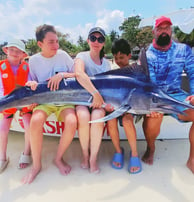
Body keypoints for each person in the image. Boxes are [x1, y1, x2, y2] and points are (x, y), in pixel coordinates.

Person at [22, 24, 77, 184]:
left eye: (57, 41)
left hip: (65, 100)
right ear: (40, 44)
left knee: (72, 121)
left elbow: (78, 73)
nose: (56, 45)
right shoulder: (33, 60)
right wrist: (30, 83)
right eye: (51, 42)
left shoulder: (63, 55)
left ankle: (58, 158)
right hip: (44, 101)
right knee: (36, 121)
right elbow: (30, 81)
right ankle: (36, 166)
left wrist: (62, 75)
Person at [142, 16, 194, 173]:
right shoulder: (147, 54)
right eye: (160, 28)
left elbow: (193, 73)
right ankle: (151, 148)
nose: (164, 31)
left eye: (167, 28)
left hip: (177, 95)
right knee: (153, 116)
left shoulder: (183, 49)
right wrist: (153, 103)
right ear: (154, 32)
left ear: (171, 30)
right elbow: (150, 83)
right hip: (155, 96)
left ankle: (192, 159)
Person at [75, 27, 111, 173]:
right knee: (83, 117)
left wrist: (106, 103)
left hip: (100, 102)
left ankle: (93, 158)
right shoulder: (81, 56)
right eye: (93, 38)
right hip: (82, 99)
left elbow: (109, 87)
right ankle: (85, 155)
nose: (96, 41)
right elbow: (79, 74)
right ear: (88, 40)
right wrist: (95, 93)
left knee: (97, 118)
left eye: (100, 39)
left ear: (103, 43)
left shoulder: (107, 63)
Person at [0, 39, 37, 173]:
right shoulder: (0, 67)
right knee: (2, 130)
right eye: (12, 50)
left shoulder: (27, 68)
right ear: (6, 51)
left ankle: (26, 153)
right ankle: (2, 157)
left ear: (23, 54)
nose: (15, 53)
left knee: (28, 126)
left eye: (18, 51)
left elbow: (30, 81)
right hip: (7, 102)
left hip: (23, 102)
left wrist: (32, 84)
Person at [107, 39, 142, 174]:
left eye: (121, 57)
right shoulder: (113, 72)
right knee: (110, 119)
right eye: (115, 58)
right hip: (117, 106)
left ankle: (134, 154)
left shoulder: (137, 71)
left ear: (129, 56)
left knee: (127, 120)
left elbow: (139, 94)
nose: (118, 61)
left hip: (134, 106)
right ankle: (118, 150)